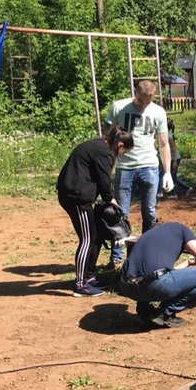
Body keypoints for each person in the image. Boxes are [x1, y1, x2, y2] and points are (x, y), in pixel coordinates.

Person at [56, 127, 134, 297]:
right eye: (124, 152)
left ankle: (89, 277)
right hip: (77, 198)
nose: (121, 156)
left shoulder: (99, 146)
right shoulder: (104, 152)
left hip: (77, 195)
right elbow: (104, 181)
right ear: (120, 144)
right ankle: (80, 285)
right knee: (87, 239)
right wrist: (111, 200)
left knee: (95, 236)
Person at [104, 80, 173, 269]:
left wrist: (167, 172)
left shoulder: (158, 112)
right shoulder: (119, 107)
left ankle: (144, 253)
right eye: (142, 101)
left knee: (149, 213)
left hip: (150, 166)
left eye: (149, 102)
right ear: (135, 93)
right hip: (125, 167)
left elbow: (164, 142)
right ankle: (116, 258)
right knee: (120, 213)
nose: (144, 106)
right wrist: (107, 166)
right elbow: (107, 138)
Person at [118, 222, 196, 328]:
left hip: (126, 286)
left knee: (148, 276)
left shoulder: (147, 236)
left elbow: (163, 273)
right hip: (152, 285)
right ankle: (165, 313)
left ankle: (145, 312)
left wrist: (186, 263)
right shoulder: (180, 229)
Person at [158, 118, 194, 200]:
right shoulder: (164, 135)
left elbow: (175, 149)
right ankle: (185, 189)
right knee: (166, 175)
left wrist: (174, 161)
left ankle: (162, 193)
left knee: (167, 175)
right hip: (169, 159)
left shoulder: (169, 136)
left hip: (175, 159)